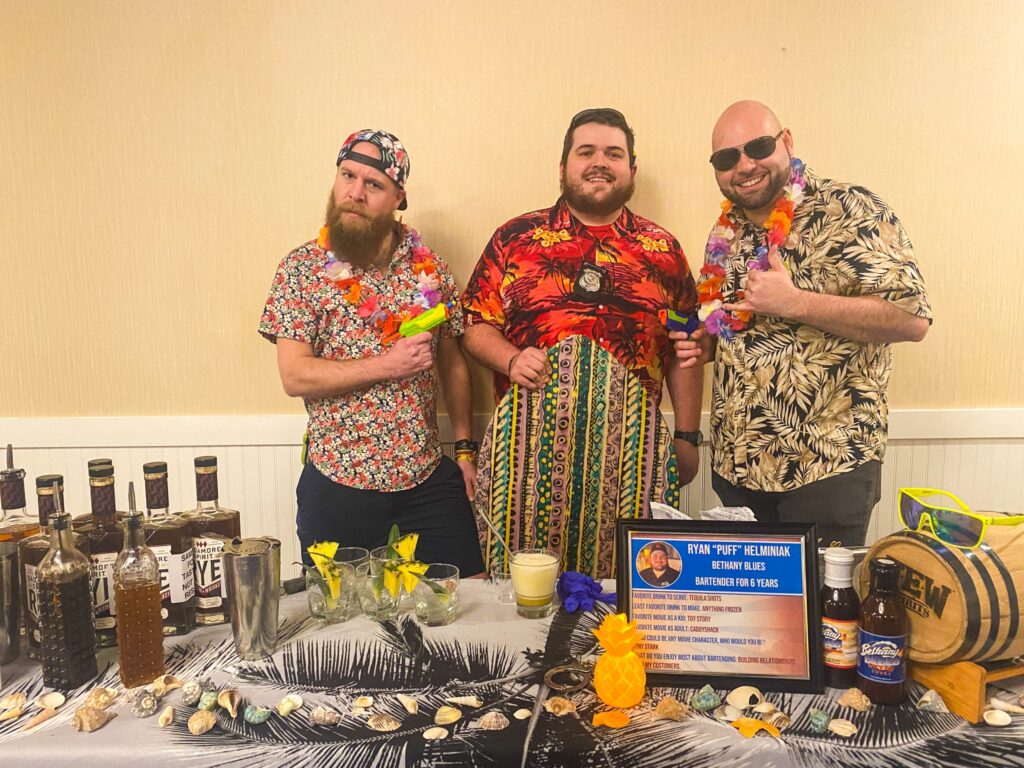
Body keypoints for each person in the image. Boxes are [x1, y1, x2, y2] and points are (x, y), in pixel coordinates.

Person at [674, 101, 932, 548]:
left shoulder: (850, 209)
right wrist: (708, 343)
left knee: (821, 616)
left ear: (787, 142)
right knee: (751, 615)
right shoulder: (727, 233)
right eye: (727, 157)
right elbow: (744, 331)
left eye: (757, 146)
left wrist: (796, 302)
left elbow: (912, 319)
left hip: (824, 468)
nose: (745, 165)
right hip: (739, 468)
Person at [462, 108, 703, 578]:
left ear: (631, 169)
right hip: (525, 457)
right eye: (586, 151)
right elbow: (474, 325)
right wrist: (510, 359)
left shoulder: (663, 249)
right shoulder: (515, 238)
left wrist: (688, 437)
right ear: (563, 166)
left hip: (634, 460)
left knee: (624, 598)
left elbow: (685, 347)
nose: (600, 162)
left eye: (614, 154)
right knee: (524, 597)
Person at [258, 129, 484, 576]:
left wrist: (462, 449)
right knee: (341, 625)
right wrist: (387, 365)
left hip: (424, 477)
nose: (354, 193)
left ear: (399, 196)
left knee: (468, 601)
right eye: (347, 176)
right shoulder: (301, 270)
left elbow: (454, 360)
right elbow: (295, 376)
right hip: (340, 481)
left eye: (373, 184)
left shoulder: (429, 268)